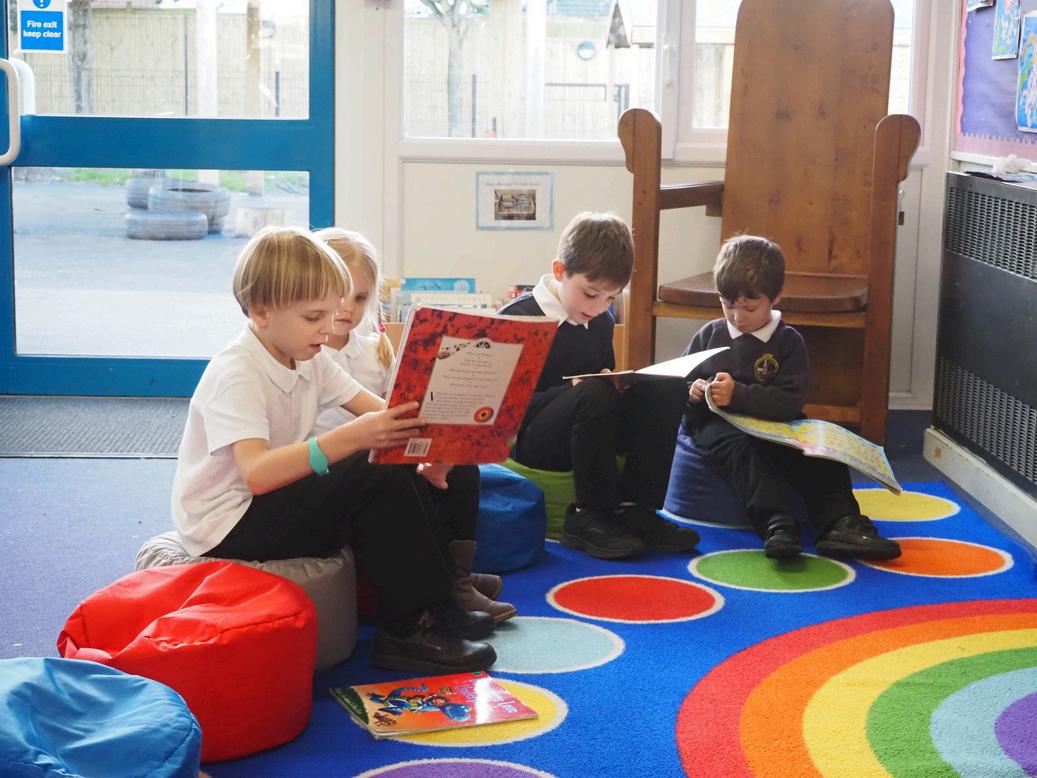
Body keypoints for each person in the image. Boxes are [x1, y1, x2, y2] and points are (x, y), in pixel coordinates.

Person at [170, 225, 496, 674]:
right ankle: (406, 630)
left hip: (271, 500)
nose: (328, 328)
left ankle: (436, 602)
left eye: (332, 313)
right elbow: (257, 474)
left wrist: (436, 446)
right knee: (372, 467)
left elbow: (383, 414)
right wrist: (354, 438)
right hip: (227, 523)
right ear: (261, 311)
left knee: (392, 462)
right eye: (313, 317)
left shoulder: (310, 357)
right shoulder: (237, 372)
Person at [312, 227, 515, 624]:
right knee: (399, 481)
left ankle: (455, 578)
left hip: (382, 448)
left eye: (360, 298)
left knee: (461, 468)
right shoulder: (310, 353)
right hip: (336, 463)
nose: (347, 307)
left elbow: (397, 408)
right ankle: (439, 584)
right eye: (339, 295)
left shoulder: (373, 348)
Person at [682, 234, 901, 561]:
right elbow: (679, 383)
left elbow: (788, 401)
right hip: (719, 426)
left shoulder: (788, 342)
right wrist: (694, 391)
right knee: (746, 452)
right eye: (728, 305)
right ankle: (776, 523)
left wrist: (739, 394)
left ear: (776, 297)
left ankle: (841, 522)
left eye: (750, 307)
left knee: (822, 451)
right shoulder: (709, 334)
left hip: (776, 423)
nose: (738, 317)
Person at [498, 211, 699, 560]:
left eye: (610, 297)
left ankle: (637, 508)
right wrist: (576, 390)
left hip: (591, 425)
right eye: (590, 293)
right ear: (560, 271)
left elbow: (601, 382)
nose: (599, 306)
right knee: (593, 392)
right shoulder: (519, 319)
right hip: (533, 437)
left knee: (667, 388)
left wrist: (617, 382)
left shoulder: (601, 321)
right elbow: (506, 409)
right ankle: (588, 514)